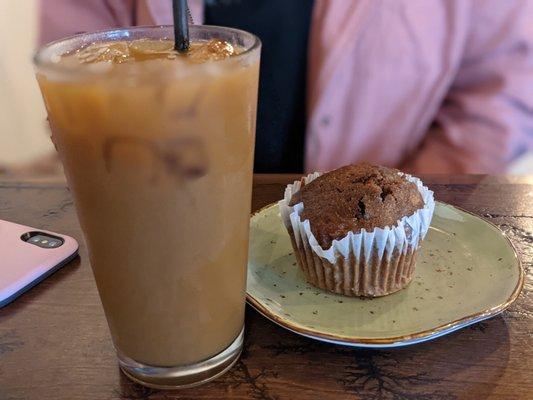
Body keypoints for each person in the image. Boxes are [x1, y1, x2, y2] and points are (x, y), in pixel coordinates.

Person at [39, 0, 533, 174]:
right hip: (163, 229)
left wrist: (400, 212)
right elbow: (75, 74)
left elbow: (502, 88)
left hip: (381, 240)